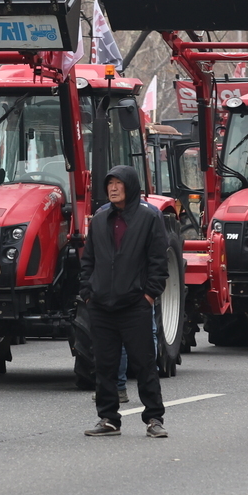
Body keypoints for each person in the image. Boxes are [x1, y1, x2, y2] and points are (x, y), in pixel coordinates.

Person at [80, 166, 170, 438]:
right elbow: (88, 260)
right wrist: (88, 292)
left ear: (131, 185)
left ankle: (154, 418)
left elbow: (158, 262)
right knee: (104, 365)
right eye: (110, 184)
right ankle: (108, 419)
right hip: (101, 306)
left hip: (135, 305)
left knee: (144, 363)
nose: (114, 188)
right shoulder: (100, 218)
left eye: (119, 183)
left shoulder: (149, 217)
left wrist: (149, 295)